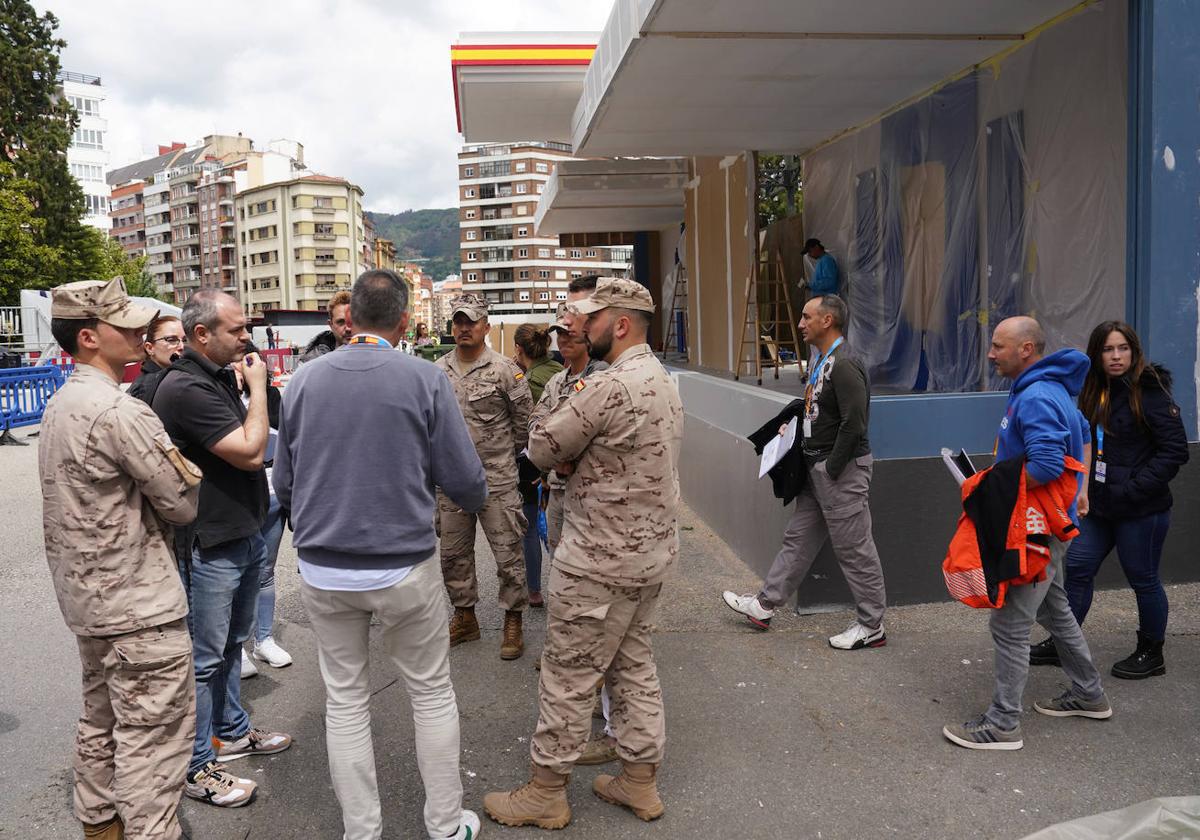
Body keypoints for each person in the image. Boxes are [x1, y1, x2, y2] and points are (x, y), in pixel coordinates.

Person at [274, 269, 487, 840]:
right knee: (430, 691)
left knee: (344, 702)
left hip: (323, 566)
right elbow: (465, 480)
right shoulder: (423, 378)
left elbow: (286, 484)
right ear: (401, 320)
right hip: (403, 564)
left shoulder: (303, 382)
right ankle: (445, 825)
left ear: (351, 318)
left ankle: (361, 832)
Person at [484, 278, 683, 829]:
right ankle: (639, 782)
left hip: (598, 558)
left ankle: (546, 791)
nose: (579, 328)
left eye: (590, 320)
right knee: (632, 664)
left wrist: (566, 458)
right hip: (649, 556)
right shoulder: (664, 379)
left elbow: (543, 446)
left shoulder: (608, 386)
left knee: (567, 676)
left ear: (619, 325)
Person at [39, 277, 202, 840]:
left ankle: (99, 824)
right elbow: (180, 504)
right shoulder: (118, 410)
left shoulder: (61, 403)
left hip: (89, 601)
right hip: (140, 603)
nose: (138, 331)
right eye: (123, 323)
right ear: (89, 337)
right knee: (154, 740)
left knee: (101, 720)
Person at [943, 316, 1112, 751]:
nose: (990, 353)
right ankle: (1089, 694)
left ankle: (1002, 726)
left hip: (1035, 530)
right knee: (1057, 613)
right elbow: (1071, 448)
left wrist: (989, 486)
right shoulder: (1047, 388)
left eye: (998, 346)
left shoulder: (1036, 395)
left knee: (1010, 625)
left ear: (1026, 350)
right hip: (1049, 525)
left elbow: (1047, 465)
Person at [152, 289, 292, 806]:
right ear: (201, 335)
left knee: (233, 645)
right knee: (204, 657)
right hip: (210, 542)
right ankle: (195, 765)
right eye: (236, 330)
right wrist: (257, 387)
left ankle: (232, 729)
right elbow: (252, 452)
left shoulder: (212, 377)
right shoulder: (186, 387)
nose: (246, 338)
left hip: (241, 531)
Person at [722, 294, 888, 650]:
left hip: (839, 471)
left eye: (806, 316)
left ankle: (872, 624)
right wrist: (795, 428)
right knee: (798, 539)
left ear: (827, 321)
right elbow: (821, 412)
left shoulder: (844, 364)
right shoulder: (822, 359)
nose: (800, 323)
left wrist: (831, 466)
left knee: (855, 548)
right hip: (818, 469)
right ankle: (764, 605)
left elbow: (855, 423)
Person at [1029, 321, 1188, 679]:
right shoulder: (1093, 389)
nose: (1116, 357)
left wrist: (1133, 487)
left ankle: (1152, 653)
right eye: (1107, 350)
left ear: (1133, 351)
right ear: (1096, 354)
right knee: (1079, 569)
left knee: (1142, 578)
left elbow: (1175, 451)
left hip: (1141, 509)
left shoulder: (1151, 391)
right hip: (1099, 507)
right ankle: (1063, 643)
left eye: (1123, 349)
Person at [435, 293, 534, 659]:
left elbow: (525, 423)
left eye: (471, 322)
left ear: (485, 327)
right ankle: (465, 617)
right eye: (458, 321)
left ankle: (513, 619)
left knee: (508, 556)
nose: (463, 327)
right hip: (452, 483)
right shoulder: (438, 372)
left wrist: (504, 457)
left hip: (498, 480)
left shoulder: (505, 370)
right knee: (453, 555)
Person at [227, 348, 290, 679]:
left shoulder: (271, 395)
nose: (245, 366)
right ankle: (236, 645)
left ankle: (263, 639)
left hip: (273, 494)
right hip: (240, 498)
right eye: (238, 361)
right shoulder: (221, 396)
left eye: (250, 360)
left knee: (265, 572)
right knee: (237, 574)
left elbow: (284, 437)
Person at [512, 323, 563, 609]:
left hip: (535, 465)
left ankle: (534, 591)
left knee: (530, 528)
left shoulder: (526, 381)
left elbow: (526, 429)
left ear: (519, 348)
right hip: (567, 462)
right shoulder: (559, 373)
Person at [128, 314, 184, 405]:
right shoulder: (145, 388)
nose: (182, 346)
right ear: (150, 348)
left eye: (185, 340)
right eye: (171, 339)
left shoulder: (173, 377)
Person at [299, 289, 353, 363]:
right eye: (341, 322)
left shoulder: (373, 358)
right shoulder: (313, 363)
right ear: (331, 325)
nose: (348, 328)